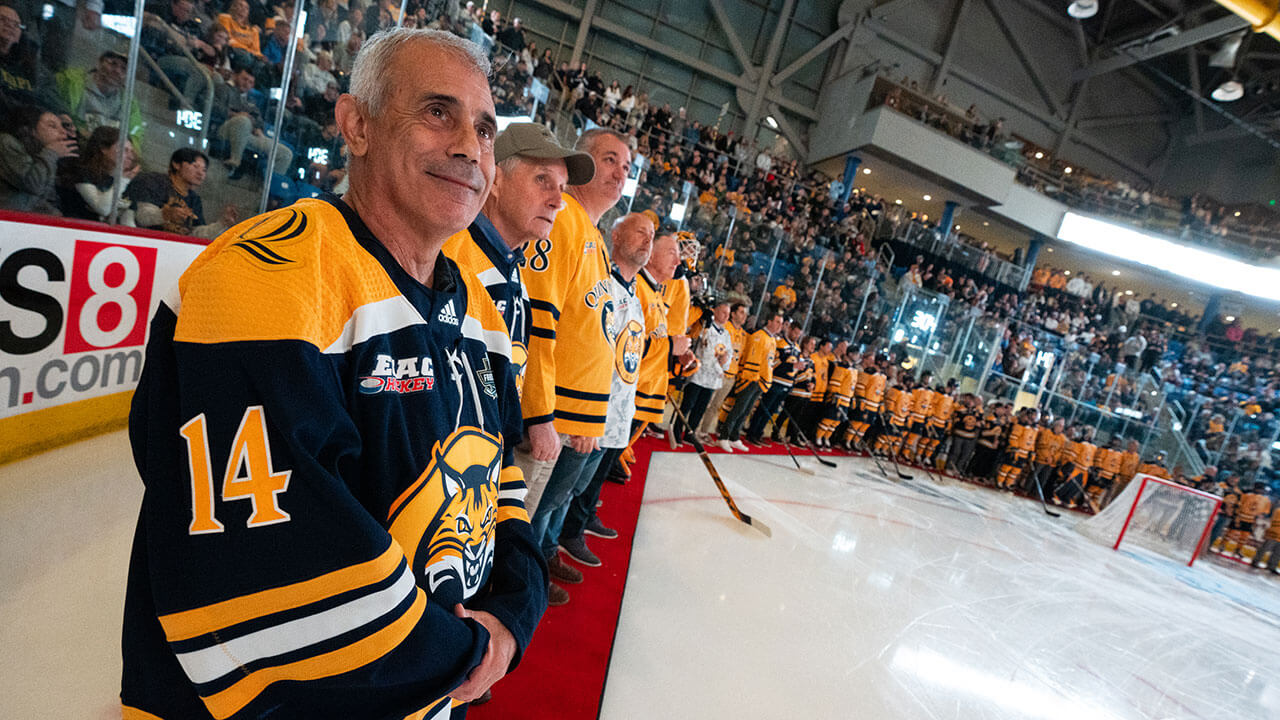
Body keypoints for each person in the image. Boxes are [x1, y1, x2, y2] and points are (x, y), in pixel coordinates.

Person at [122, 28, 546, 719]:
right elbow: (272, 565)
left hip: (422, 687)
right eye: (438, 112)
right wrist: (469, 655)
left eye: (486, 128)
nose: (471, 147)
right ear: (357, 124)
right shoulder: (265, 279)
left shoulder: (479, 309)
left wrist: (514, 609)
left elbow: (495, 474)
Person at [442, 121, 593, 598]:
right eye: (542, 180)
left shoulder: (509, 268)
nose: (557, 199)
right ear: (497, 178)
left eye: (563, 188)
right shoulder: (455, 257)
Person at [519, 127, 629, 600]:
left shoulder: (593, 235)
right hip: (550, 412)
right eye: (609, 159)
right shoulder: (563, 221)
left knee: (542, 508)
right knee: (516, 516)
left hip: (573, 414)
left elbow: (590, 329)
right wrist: (541, 413)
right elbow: (539, 325)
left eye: (626, 166)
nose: (620, 172)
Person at [555, 214, 653, 575]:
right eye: (640, 231)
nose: (647, 240)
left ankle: (556, 543)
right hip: (587, 410)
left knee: (576, 490)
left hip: (616, 411)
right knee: (556, 493)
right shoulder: (602, 283)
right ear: (616, 234)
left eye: (652, 236)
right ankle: (544, 551)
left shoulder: (637, 294)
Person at [129, 147, 238, 237]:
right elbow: (141, 216)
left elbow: (195, 233)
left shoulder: (194, 199)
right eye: (195, 166)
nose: (201, 173)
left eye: (204, 170)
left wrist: (222, 224)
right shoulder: (153, 181)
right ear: (176, 164)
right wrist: (165, 214)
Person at [214, 65, 294, 176]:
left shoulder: (251, 99)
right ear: (235, 76)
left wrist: (257, 128)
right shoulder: (223, 89)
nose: (247, 84)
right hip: (225, 129)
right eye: (244, 79)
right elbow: (214, 108)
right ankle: (234, 161)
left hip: (248, 134)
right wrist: (235, 115)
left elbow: (258, 119)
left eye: (250, 82)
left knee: (285, 154)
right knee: (243, 120)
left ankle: (270, 186)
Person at [719, 312, 782, 451]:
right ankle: (724, 436)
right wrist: (753, 378)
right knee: (738, 409)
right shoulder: (759, 337)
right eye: (777, 322)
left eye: (781, 323)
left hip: (760, 381)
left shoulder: (772, 340)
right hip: (751, 379)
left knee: (746, 410)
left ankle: (734, 436)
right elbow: (751, 359)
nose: (780, 326)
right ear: (769, 322)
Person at [54, 50, 144, 144]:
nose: (117, 71)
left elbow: (135, 137)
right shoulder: (70, 83)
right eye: (113, 64)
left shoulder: (129, 103)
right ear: (99, 63)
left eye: (124, 69)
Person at [0, 104, 76, 212]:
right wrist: (51, 153)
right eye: (53, 126)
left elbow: (44, 198)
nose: (63, 131)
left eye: (62, 126)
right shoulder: (6, 142)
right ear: (31, 130)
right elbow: (34, 185)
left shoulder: (42, 153)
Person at [677, 299, 732, 446]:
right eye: (724, 312)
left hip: (713, 379)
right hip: (699, 374)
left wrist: (724, 363)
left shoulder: (726, 334)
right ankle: (677, 430)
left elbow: (729, 354)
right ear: (715, 311)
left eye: (728, 314)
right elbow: (706, 353)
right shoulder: (707, 328)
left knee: (701, 408)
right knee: (688, 404)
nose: (727, 316)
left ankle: (690, 432)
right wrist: (720, 366)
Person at [55, 124, 137, 222]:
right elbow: (103, 209)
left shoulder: (127, 181)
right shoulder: (82, 172)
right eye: (124, 150)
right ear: (104, 149)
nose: (129, 156)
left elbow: (128, 221)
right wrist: (123, 180)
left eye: (131, 151)